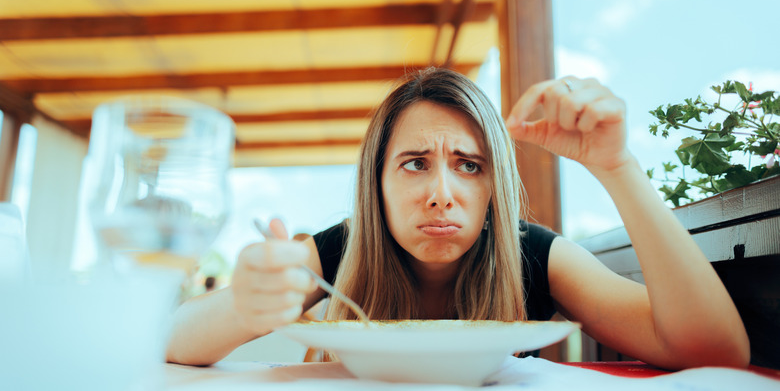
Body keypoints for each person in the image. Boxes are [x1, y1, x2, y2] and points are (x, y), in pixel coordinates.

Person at [166, 67, 750, 369]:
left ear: (495, 186)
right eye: (415, 163)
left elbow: (715, 351)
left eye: (469, 166)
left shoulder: (535, 255)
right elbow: (169, 344)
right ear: (378, 184)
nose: (442, 194)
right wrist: (246, 304)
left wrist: (617, 165)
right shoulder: (335, 252)